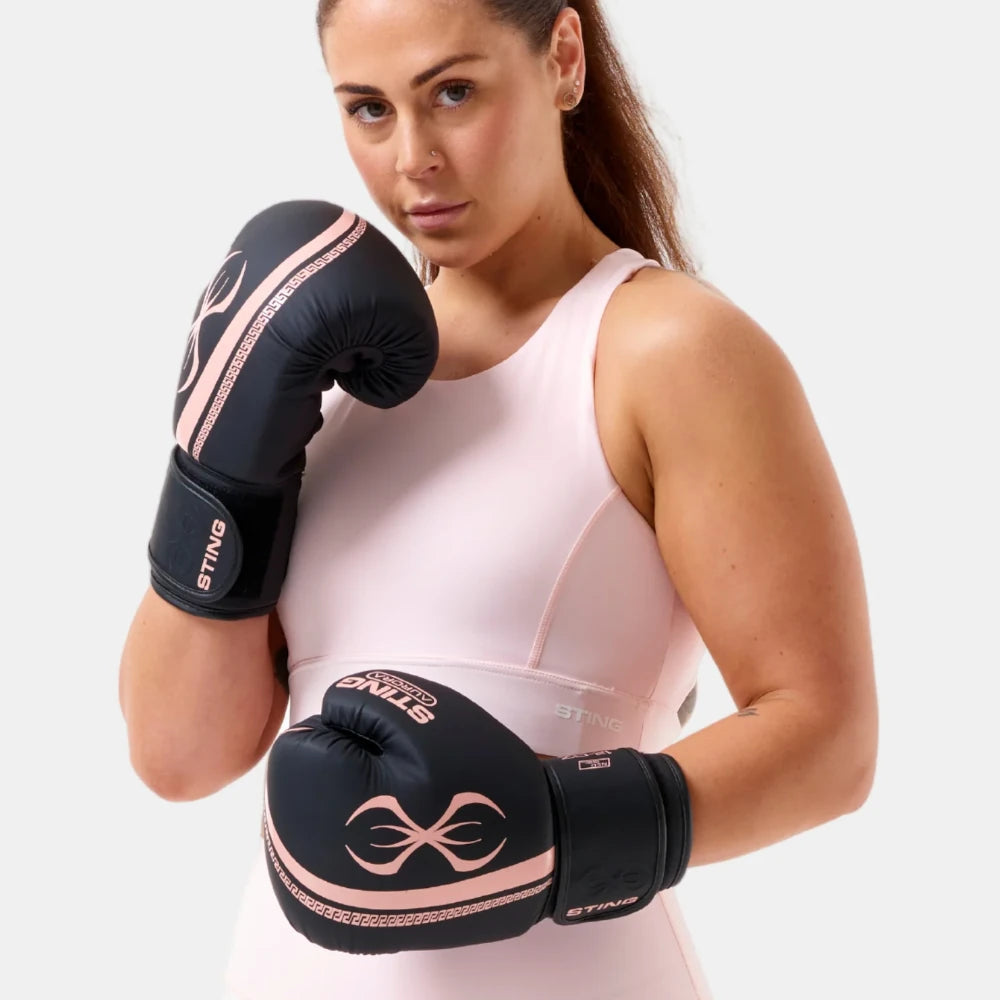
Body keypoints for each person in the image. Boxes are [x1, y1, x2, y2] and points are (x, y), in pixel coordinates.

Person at [118, 0, 879, 997]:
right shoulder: (327, 376)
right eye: (368, 109)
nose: (413, 157)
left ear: (562, 58)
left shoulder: (667, 350)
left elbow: (829, 740)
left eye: (454, 92)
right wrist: (218, 465)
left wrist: (557, 833)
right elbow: (177, 755)